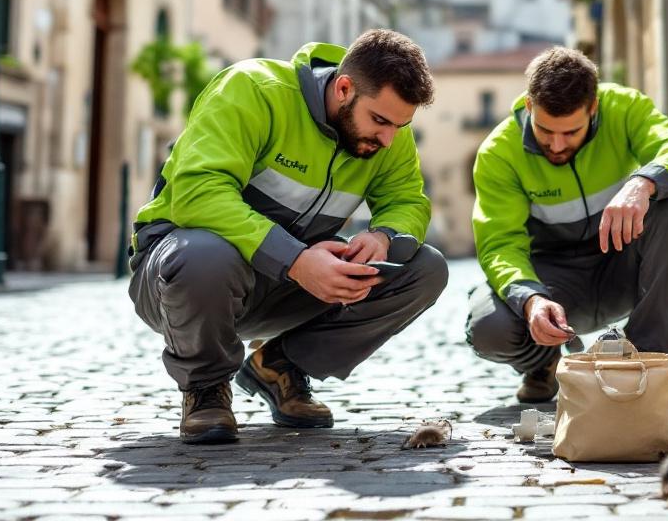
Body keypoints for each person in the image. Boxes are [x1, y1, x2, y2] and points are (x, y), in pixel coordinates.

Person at [128, 30, 447, 443]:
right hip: (182, 276)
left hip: (283, 284)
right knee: (204, 254)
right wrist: (295, 260)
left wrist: (384, 236)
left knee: (424, 268)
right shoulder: (252, 90)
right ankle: (205, 389)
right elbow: (197, 193)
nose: (389, 139)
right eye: (380, 121)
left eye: (400, 126)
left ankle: (278, 366)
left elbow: (408, 200)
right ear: (344, 88)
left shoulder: (390, 136)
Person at [466, 47, 668, 402]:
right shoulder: (498, 153)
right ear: (530, 106)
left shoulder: (624, 107)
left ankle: (648, 360)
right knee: (489, 328)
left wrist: (643, 183)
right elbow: (499, 245)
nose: (556, 144)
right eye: (545, 130)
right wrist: (532, 300)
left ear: (593, 107)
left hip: (621, 267)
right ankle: (545, 362)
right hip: (554, 286)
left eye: (570, 132)